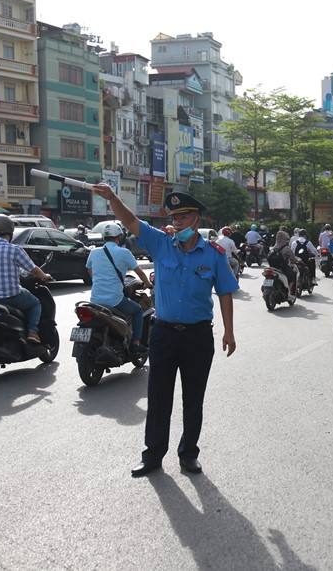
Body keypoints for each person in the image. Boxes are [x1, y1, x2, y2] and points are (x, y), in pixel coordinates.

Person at [89, 186, 238, 478]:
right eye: (174, 217)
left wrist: (229, 332)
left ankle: (188, 454)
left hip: (197, 336)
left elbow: (225, 294)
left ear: (196, 219)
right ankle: (153, 455)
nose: (178, 222)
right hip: (164, 334)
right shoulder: (160, 244)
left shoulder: (214, 254)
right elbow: (131, 221)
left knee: (193, 398)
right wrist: (112, 199)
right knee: (158, 396)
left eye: (183, 217)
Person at [0, 214, 53, 343]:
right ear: (10, 231)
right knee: (35, 304)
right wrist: (45, 276)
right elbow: (33, 269)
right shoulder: (15, 249)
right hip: (11, 295)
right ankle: (32, 332)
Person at [85, 222, 152, 354]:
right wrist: (149, 284)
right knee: (137, 310)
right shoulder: (124, 252)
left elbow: (89, 270)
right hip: (115, 301)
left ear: (103, 238)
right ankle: (136, 343)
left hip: (95, 300)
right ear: (120, 237)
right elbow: (139, 272)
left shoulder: (94, 252)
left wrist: (99, 282)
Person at [267, 230, 302, 296]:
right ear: (285, 238)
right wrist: (298, 261)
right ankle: (288, 291)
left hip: (272, 269)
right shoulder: (286, 249)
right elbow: (293, 259)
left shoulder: (272, 248)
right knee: (293, 275)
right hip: (282, 269)